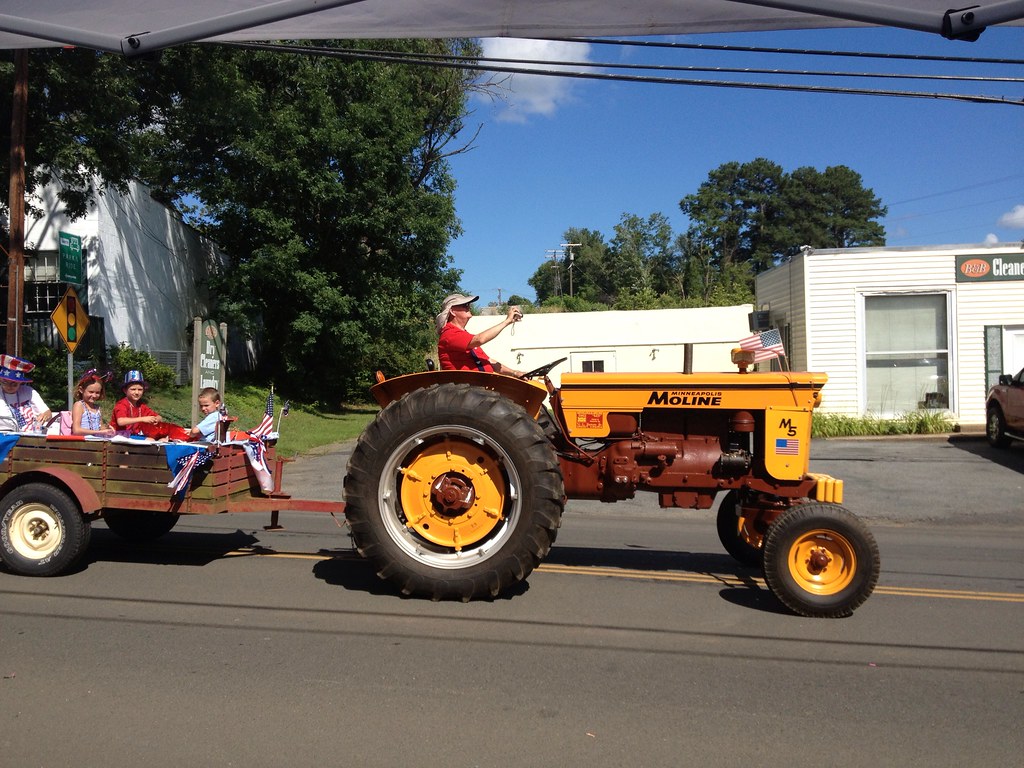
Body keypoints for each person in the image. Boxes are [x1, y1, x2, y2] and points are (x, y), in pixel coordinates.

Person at [435, 293, 524, 376]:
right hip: (465, 388)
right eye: (464, 305)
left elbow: (489, 362)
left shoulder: (465, 336)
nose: (468, 307)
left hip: (479, 387)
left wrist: (515, 373)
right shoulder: (449, 334)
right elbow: (480, 339)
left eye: (469, 305)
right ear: (452, 311)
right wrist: (507, 321)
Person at [110, 370, 188, 440]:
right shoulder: (122, 404)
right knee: (150, 441)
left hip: (133, 436)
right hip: (120, 436)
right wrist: (142, 419)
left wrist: (156, 419)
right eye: (133, 389)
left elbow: (159, 417)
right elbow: (121, 421)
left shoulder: (141, 406)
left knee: (163, 439)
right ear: (125, 390)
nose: (137, 392)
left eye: (140, 389)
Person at [0, 354, 52, 433]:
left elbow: (47, 413)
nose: (8, 386)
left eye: (14, 384)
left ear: (20, 382)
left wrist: (44, 417)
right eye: (4, 382)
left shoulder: (29, 391)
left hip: (30, 435)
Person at [71, 370, 116, 437]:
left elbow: (101, 427)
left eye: (97, 393)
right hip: (82, 443)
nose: (94, 395)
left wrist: (108, 430)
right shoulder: (79, 405)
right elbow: (76, 430)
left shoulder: (97, 408)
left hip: (96, 442)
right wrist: (99, 432)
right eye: (91, 392)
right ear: (81, 390)